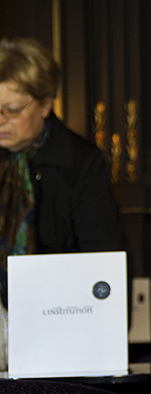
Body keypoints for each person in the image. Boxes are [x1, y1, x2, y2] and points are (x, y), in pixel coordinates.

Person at [0, 37, 126, 369]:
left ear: (44, 104)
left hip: (59, 329)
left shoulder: (80, 162)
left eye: (12, 110)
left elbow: (103, 264)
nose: (0, 119)